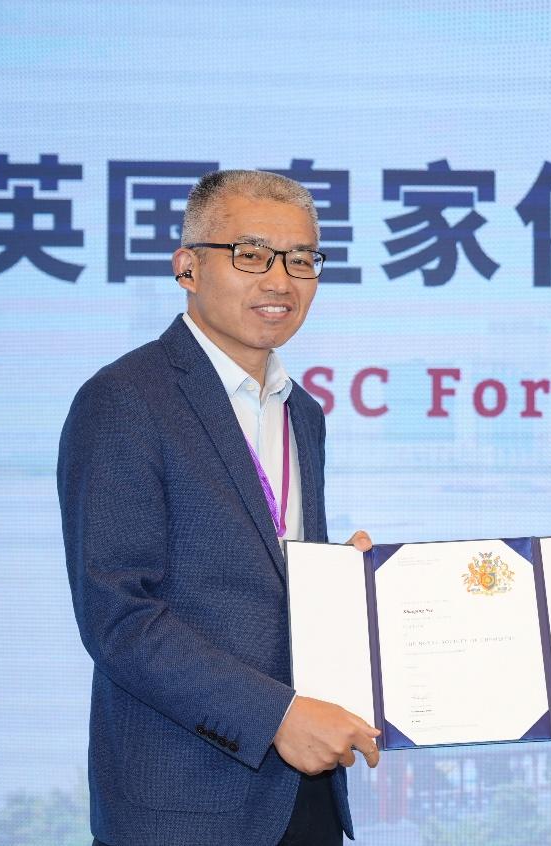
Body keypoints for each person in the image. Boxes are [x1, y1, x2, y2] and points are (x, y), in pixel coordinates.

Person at [58, 170, 380, 846]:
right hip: (182, 805)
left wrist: (339, 588)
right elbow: (118, 617)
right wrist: (276, 717)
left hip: (303, 795)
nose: (281, 280)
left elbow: (258, 582)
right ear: (187, 267)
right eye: (251, 255)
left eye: (302, 260)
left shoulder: (302, 412)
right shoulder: (126, 399)